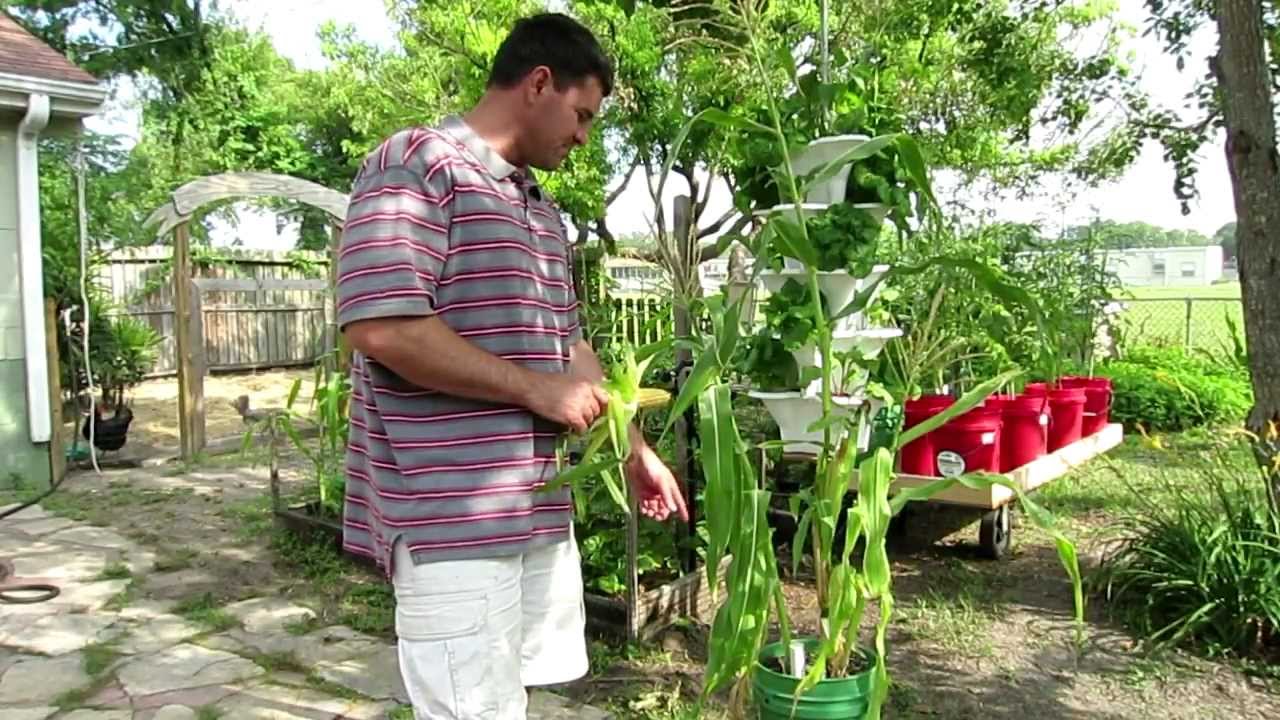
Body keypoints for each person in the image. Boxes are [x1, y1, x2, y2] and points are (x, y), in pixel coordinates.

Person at [334, 12, 689, 720]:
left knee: (507, 700)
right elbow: (380, 326)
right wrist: (538, 392)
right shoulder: (417, 163)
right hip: (450, 520)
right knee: (470, 707)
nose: (584, 137)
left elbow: (569, 347)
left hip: (531, 509)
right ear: (538, 83)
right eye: (582, 115)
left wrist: (631, 449)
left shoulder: (539, 208)